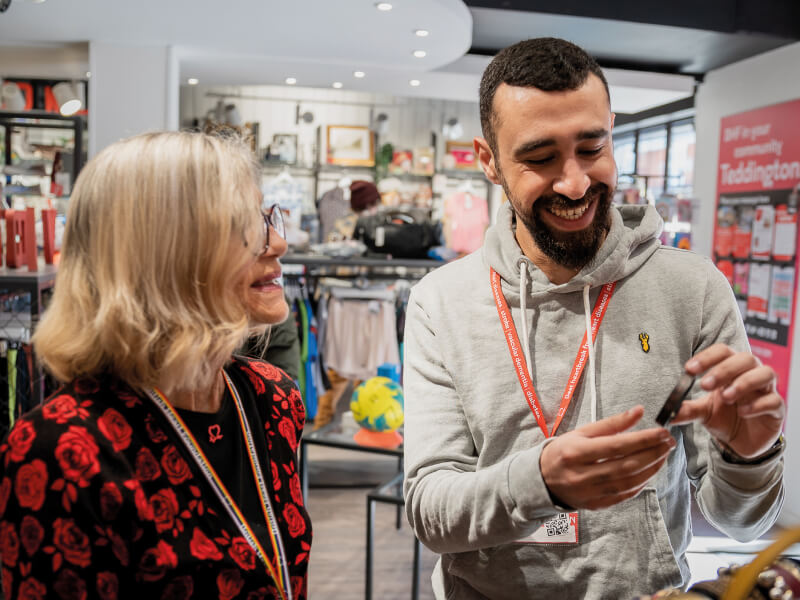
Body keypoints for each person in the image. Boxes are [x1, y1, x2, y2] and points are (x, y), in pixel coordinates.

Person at [402, 38, 785, 600]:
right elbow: (430, 514)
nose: (575, 183)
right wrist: (542, 482)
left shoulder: (692, 289)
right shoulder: (441, 301)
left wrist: (748, 455)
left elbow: (742, 523)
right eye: (539, 158)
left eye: (591, 147)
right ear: (489, 161)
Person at [0, 132, 311, 600]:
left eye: (265, 218)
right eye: (243, 225)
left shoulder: (273, 398)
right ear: (165, 250)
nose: (278, 243)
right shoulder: (62, 451)